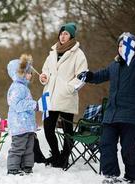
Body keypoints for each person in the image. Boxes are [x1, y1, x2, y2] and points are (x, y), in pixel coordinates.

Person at [77, 32, 135, 184]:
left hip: (130, 115)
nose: (121, 48)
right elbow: (100, 76)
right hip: (111, 114)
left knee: (128, 148)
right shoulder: (114, 65)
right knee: (106, 144)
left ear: (133, 47)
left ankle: (133, 176)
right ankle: (110, 174)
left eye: (124, 45)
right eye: (119, 45)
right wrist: (89, 76)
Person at [39, 22, 88, 168]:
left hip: (66, 96)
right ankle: (56, 155)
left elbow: (82, 75)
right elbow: (46, 70)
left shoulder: (78, 54)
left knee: (67, 131)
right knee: (48, 128)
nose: (62, 36)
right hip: (50, 96)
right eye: (61, 33)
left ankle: (64, 157)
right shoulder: (52, 52)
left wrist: (69, 88)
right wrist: (44, 77)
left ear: (71, 36)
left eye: (66, 33)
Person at [6, 54, 38, 175]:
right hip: (19, 124)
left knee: (29, 147)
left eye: (30, 72)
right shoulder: (16, 88)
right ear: (20, 73)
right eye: (28, 72)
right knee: (18, 147)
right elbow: (17, 104)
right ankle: (13, 167)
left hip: (27, 124)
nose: (30, 75)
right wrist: (34, 105)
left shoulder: (24, 87)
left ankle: (27, 166)